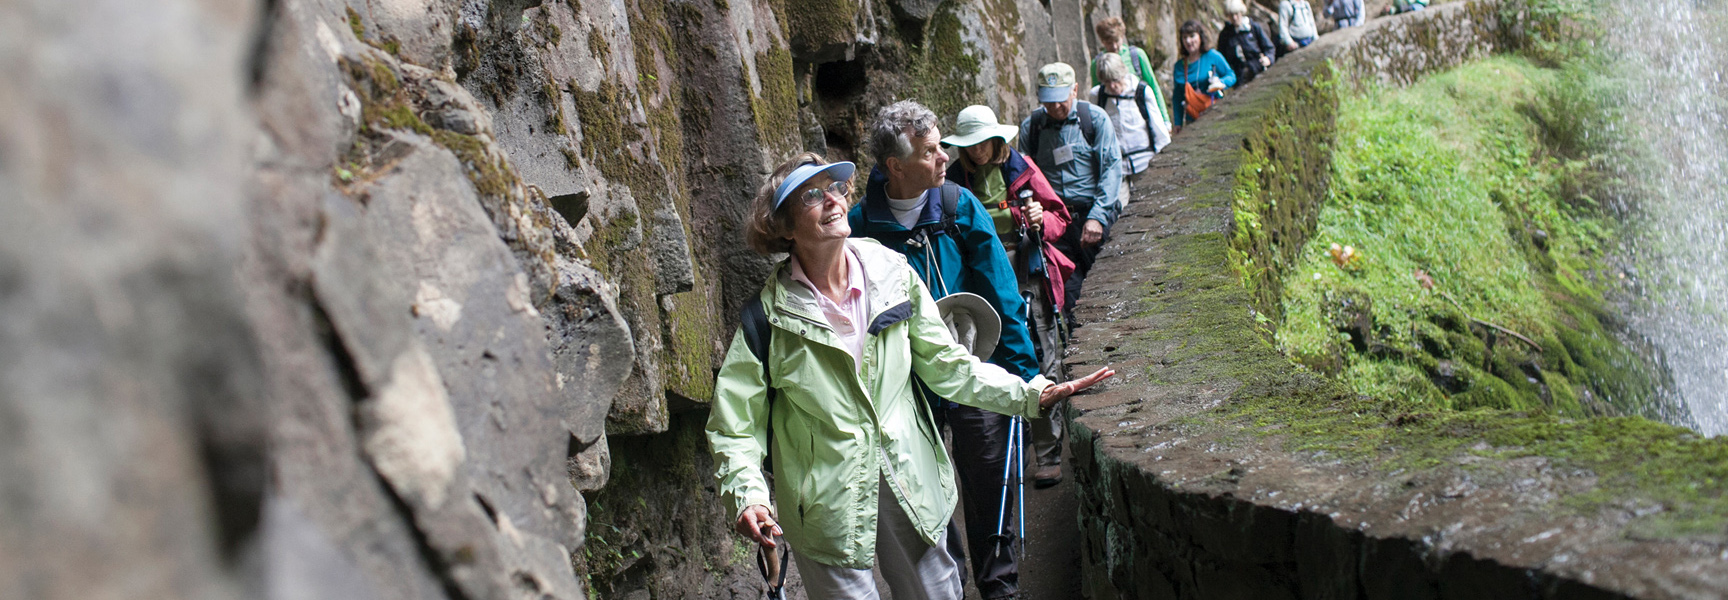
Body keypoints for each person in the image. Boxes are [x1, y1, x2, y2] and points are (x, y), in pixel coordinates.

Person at [708, 151, 1115, 600]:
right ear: (783, 227)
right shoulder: (765, 319)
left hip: (911, 482)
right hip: (824, 506)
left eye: (836, 188)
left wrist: (1031, 393)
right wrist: (749, 496)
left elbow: (948, 365)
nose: (832, 200)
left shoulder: (892, 274)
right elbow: (734, 426)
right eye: (810, 195)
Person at [847, 101, 1043, 600]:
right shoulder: (859, 227)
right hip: (906, 385)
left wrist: (1024, 377)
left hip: (973, 365)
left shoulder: (958, 205)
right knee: (923, 491)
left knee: (989, 479)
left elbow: (1001, 293)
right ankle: (949, 582)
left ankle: (999, 587)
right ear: (895, 165)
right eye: (931, 150)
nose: (943, 158)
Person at [1019, 62, 1122, 486]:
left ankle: (1099, 377)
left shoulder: (1095, 121)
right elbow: (1021, 173)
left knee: (1094, 301)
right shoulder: (1033, 127)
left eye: (1062, 99)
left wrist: (1098, 216)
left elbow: (1111, 170)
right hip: (1049, 227)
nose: (1056, 108)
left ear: (1076, 90)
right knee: (1059, 305)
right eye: (1049, 102)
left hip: (1087, 223)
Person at [1090, 53, 1171, 178]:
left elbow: (1159, 130)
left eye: (1115, 80)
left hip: (1145, 162)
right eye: (1107, 82)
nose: (1112, 86)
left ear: (1123, 73)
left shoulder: (1141, 92)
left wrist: (1163, 162)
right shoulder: (1098, 96)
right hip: (1115, 168)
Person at [1088, 16, 1168, 126]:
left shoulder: (1136, 56)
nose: (1114, 46)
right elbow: (1097, 97)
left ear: (1122, 36)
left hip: (1140, 118)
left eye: (1117, 40)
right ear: (1102, 41)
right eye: (1109, 42)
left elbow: (1153, 86)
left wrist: (1164, 120)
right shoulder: (1098, 63)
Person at [1170, 20, 1236, 133]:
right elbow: (1177, 97)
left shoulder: (1212, 56)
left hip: (1214, 112)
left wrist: (1221, 82)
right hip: (1193, 117)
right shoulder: (1179, 66)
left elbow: (1231, 75)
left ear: (1200, 36)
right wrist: (1178, 123)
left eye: (1192, 36)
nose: (1188, 41)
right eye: (1184, 37)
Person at [1217, 0, 1277, 86]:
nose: (1234, 18)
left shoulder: (1253, 28)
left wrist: (1268, 58)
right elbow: (1222, 57)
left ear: (1241, 13)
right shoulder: (1225, 34)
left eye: (1236, 14)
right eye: (1231, 15)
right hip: (1238, 76)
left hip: (1258, 69)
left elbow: (1269, 47)